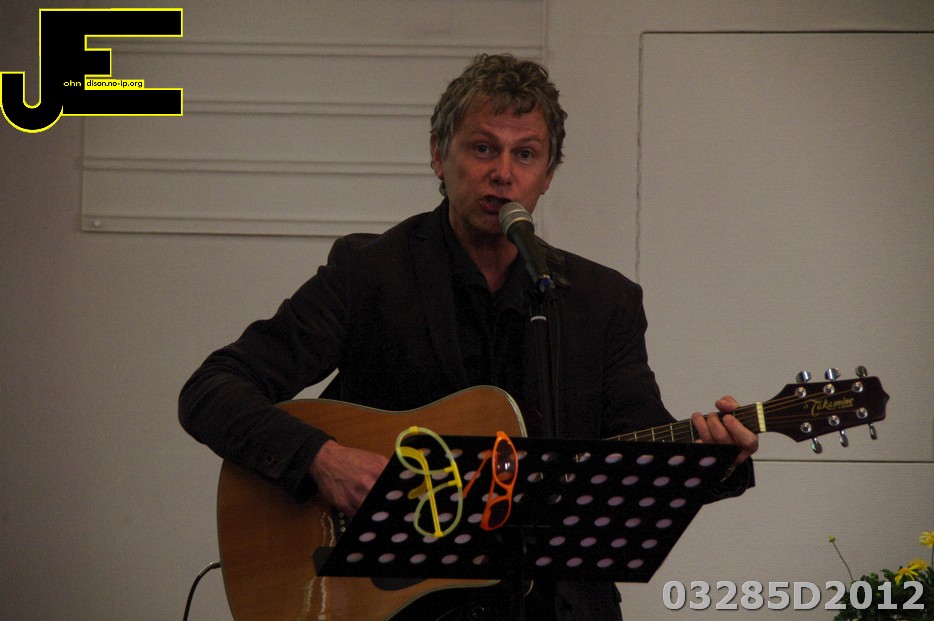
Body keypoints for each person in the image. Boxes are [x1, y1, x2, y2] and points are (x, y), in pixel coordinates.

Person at [179, 53, 758, 621]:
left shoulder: (604, 301)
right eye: (483, 148)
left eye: (525, 154)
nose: (503, 173)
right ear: (438, 154)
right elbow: (212, 389)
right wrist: (320, 458)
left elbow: (636, 457)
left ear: (548, 175)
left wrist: (713, 460)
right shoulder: (369, 274)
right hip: (404, 609)